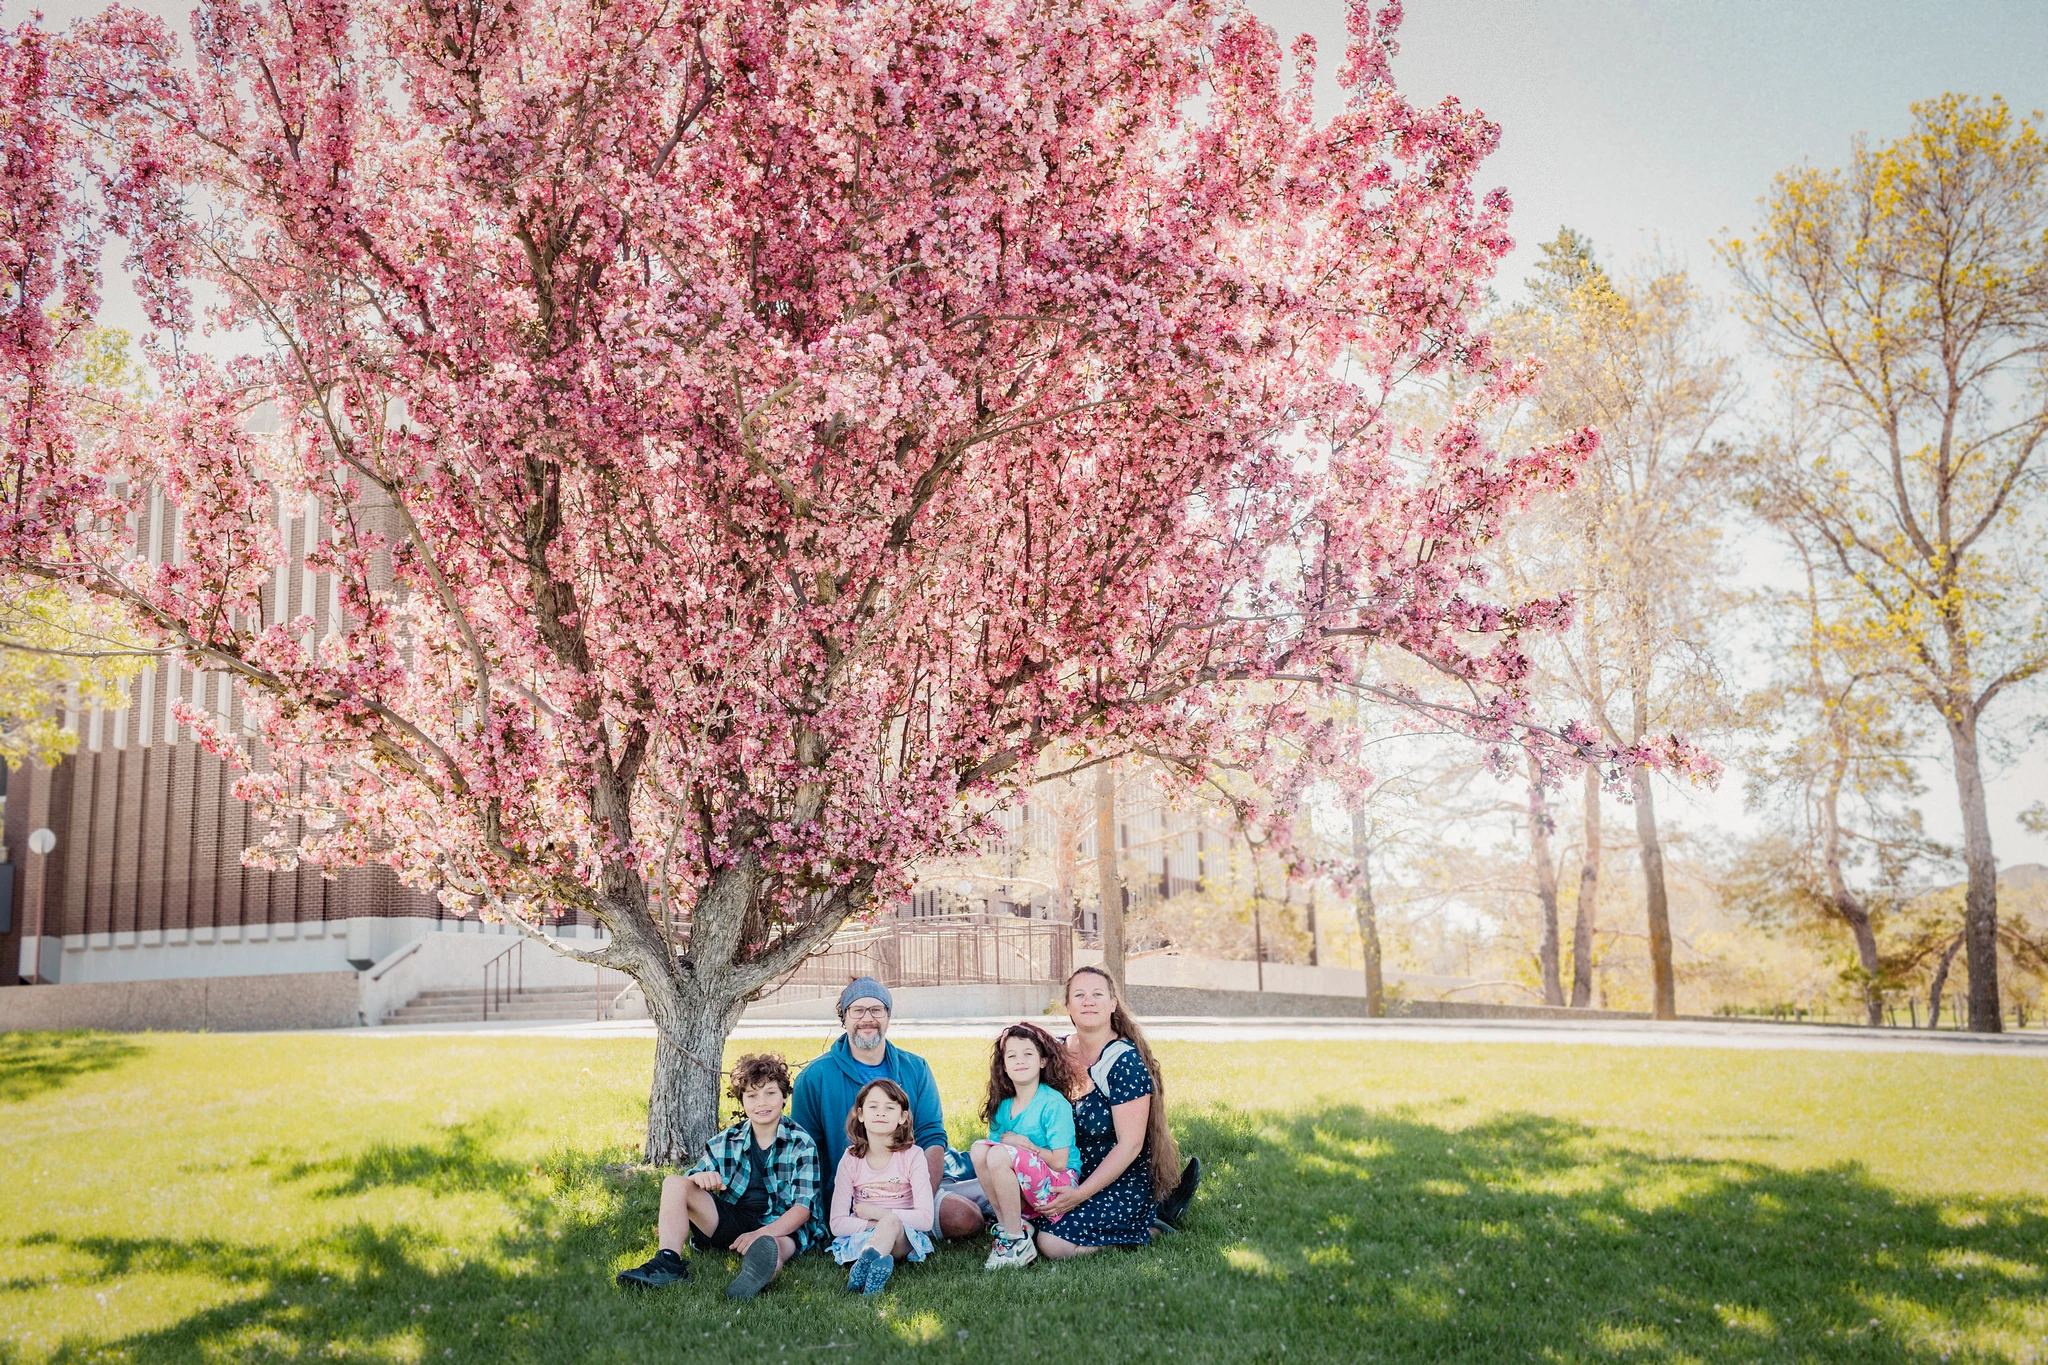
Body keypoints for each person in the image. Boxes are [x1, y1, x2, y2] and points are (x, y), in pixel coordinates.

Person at [788, 976, 988, 1240]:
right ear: (844, 1017)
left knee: (966, 1218)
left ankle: (991, 1203)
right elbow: (806, 1152)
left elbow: (932, 1136)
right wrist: (827, 1211)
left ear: (888, 1016)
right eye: (857, 1010)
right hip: (855, 1196)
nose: (867, 1018)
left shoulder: (915, 1068)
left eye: (876, 1010)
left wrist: (921, 1202)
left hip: (912, 1190)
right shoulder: (815, 1077)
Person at [615, 1052, 820, 1298]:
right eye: (752, 1095)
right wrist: (698, 1179)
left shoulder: (801, 1143)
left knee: (775, 1247)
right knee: (674, 1183)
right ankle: (668, 1262)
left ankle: (759, 1274)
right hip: (733, 1219)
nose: (761, 1102)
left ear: (784, 1096)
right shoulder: (727, 1140)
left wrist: (761, 1234)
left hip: (781, 1224)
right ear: (742, 1102)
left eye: (770, 1093)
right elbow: (692, 1182)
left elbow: (802, 1209)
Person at [1033, 966, 1202, 1259]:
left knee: (1051, 1243)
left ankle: (1149, 1226)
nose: (1089, 1001)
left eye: (1098, 994)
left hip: (1119, 1181)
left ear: (1112, 1004)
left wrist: (1079, 1195)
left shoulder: (1123, 1062)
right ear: (1068, 1005)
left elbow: (1131, 1145)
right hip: (1068, 1172)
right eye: (1080, 995)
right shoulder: (1054, 1054)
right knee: (1022, 1222)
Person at [971, 1021, 1078, 1269]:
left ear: (1042, 1061)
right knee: (979, 1150)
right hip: (1025, 1188)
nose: (1020, 1060)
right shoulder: (1003, 1107)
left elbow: (1061, 1162)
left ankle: (1016, 1240)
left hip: (1058, 1185)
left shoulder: (1053, 1104)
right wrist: (1011, 1147)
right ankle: (1012, 1228)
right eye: (1012, 1055)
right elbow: (990, 1157)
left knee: (998, 1154)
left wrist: (1023, 1146)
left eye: (1028, 1054)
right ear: (1004, 1067)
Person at [828, 1078, 936, 1294]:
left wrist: (879, 1214)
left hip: (902, 1237)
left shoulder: (913, 1156)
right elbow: (837, 1224)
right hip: (862, 1235)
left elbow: (925, 1220)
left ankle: (863, 1268)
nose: (881, 1113)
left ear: (903, 1117)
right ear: (860, 1114)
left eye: (890, 1107)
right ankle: (872, 1266)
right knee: (888, 1223)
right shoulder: (850, 1159)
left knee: (892, 1224)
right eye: (873, 1106)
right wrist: (876, 1224)